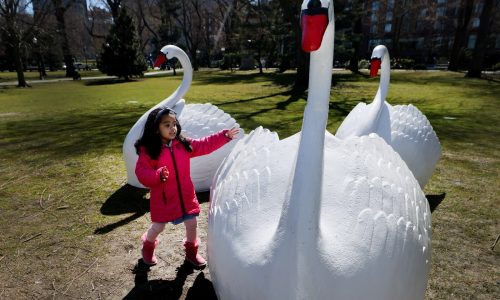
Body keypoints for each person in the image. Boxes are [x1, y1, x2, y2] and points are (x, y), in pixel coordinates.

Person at [134, 107, 239, 268]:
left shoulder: (182, 144)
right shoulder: (149, 151)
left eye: (174, 124)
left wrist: (223, 136)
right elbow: (142, 172)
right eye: (167, 125)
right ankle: (148, 245)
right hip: (164, 200)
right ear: (156, 129)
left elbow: (204, 144)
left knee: (192, 224)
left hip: (186, 196)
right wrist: (157, 176)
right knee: (158, 226)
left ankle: (192, 253)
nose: (172, 128)